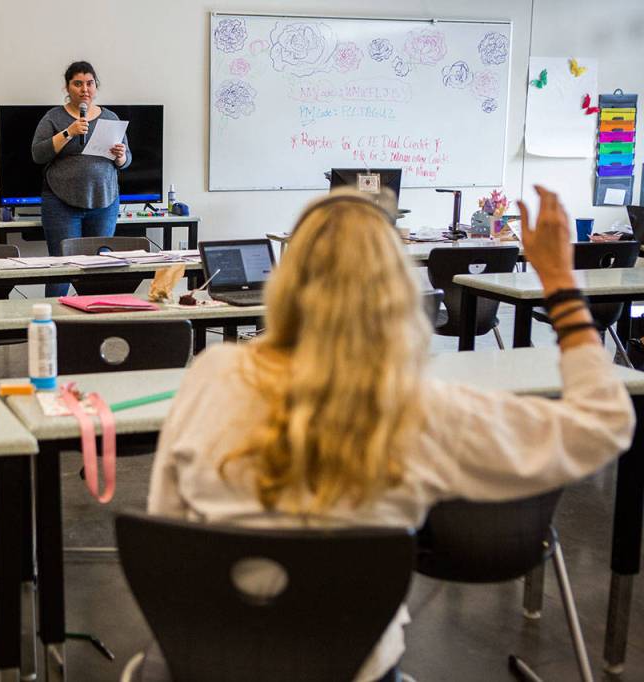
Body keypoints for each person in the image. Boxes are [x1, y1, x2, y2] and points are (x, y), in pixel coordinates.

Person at [146, 186, 635, 682]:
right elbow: (605, 422)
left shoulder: (212, 374)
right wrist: (561, 286)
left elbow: (166, 526)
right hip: (356, 667)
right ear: (397, 289)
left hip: (212, 661)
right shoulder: (419, 408)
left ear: (287, 280)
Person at [31, 60, 131, 297]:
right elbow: (38, 154)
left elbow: (126, 160)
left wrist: (120, 156)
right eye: (78, 83)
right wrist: (69, 132)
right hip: (61, 203)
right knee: (61, 267)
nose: (84, 89)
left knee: (100, 266)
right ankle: (55, 317)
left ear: (96, 86)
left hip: (104, 202)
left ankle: (92, 316)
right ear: (67, 87)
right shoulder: (53, 117)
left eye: (89, 83)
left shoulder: (110, 117)